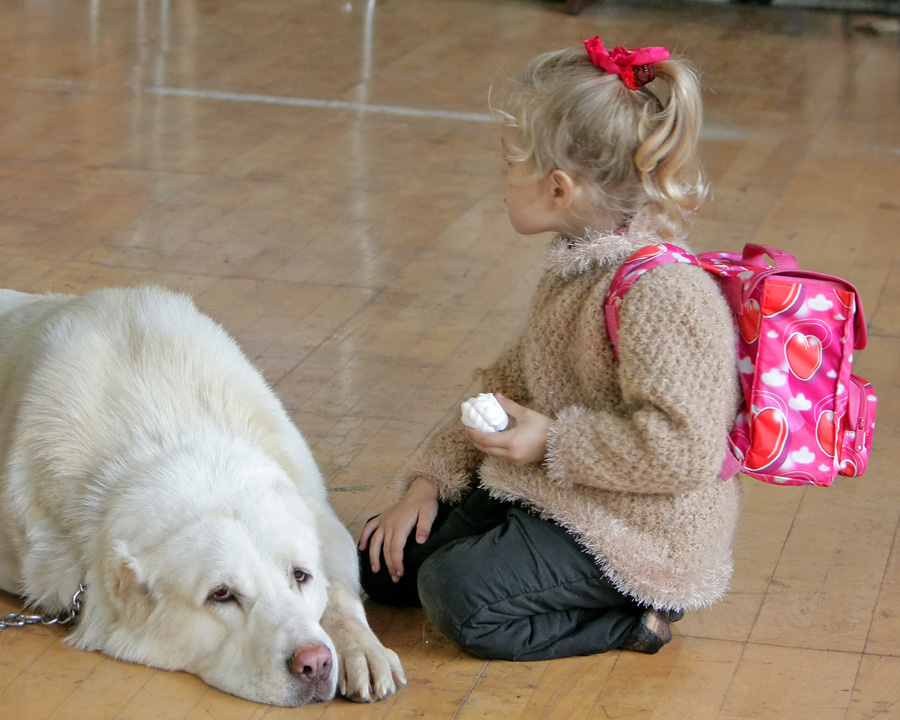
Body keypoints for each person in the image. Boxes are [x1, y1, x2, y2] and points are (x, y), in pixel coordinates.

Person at [357, 36, 741, 660]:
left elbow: (684, 452)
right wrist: (426, 484)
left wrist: (552, 442)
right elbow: (506, 384)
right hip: (562, 488)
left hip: (639, 531)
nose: (502, 178)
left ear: (559, 188)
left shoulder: (666, 294)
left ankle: (635, 619)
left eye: (510, 164)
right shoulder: (577, 268)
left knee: (456, 592)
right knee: (383, 566)